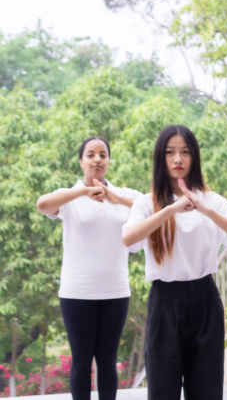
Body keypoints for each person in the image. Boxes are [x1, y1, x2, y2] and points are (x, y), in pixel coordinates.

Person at [122, 125, 227, 400]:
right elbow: (128, 239)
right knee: (163, 388)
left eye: (185, 152)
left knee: (207, 388)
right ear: (161, 158)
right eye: (170, 152)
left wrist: (205, 209)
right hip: (165, 300)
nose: (178, 159)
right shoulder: (146, 203)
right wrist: (171, 209)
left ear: (194, 157)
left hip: (205, 298)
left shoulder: (212, 201)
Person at [36, 136, 143, 400]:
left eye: (103, 155)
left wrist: (117, 199)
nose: (97, 160)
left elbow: (158, 208)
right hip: (76, 292)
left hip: (116, 291)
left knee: (107, 360)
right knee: (82, 360)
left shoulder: (126, 195)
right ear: (81, 161)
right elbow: (42, 204)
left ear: (109, 160)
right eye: (91, 155)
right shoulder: (69, 196)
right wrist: (84, 191)